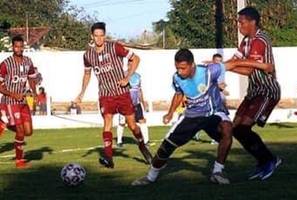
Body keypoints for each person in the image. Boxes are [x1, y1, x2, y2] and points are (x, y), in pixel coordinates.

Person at [132, 49, 234, 186]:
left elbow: (234, 64)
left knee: (227, 129)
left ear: (192, 65)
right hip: (192, 116)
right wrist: (170, 113)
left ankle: (217, 172)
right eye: (177, 68)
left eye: (183, 68)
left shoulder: (209, 71)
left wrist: (261, 66)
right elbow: (179, 94)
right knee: (166, 147)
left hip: (212, 112)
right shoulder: (177, 78)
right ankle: (150, 176)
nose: (179, 71)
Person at [75, 22, 152, 168]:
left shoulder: (115, 47)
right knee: (107, 123)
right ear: (92, 36)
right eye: (96, 36)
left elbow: (136, 59)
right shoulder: (87, 55)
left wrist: (127, 78)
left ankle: (142, 145)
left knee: (132, 125)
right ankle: (109, 158)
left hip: (122, 93)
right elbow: (87, 74)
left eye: (101, 35)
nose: (99, 39)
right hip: (105, 94)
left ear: (105, 35)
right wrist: (81, 93)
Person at [226, 7, 282, 180]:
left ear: (252, 22)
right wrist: (217, 68)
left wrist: (231, 66)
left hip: (266, 91)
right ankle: (263, 161)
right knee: (236, 129)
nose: (239, 26)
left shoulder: (260, 39)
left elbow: (248, 66)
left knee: (243, 128)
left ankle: (270, 160)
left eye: (241, 22)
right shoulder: (246, 40)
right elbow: (240, 64)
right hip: (254, 91)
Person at [0, 35, 38, 168]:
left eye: (21, 46)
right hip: (9, 101)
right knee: (20, 131)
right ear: (12, 47)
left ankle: (4, 123)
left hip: (22, 102)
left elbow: (32, 78)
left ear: (23, 47)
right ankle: (19, 160)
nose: (19, 49)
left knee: (28, 132)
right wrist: (13, 94)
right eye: (16, 46)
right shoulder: (5, 64)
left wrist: (34, 93)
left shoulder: (28, 61)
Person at [116, 72, 150, 147]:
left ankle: (146, 141)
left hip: (136, 104)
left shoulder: (138, 76)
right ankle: (119, 141)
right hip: (124, 104)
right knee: (122, 122)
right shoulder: (122, 75)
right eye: (130, 63)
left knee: (142, 120)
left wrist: (143, 102)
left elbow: (140, 90)